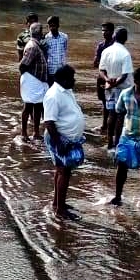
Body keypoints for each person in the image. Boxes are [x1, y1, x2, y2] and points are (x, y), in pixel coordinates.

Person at [42, 64, 85, 220]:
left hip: (66, 138)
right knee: (64, 172)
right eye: (71, 78)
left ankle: (57, 203)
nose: (74, 81)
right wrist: (58, 142)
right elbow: (49, 122)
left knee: (61, 171)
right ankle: (60, 210)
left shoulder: (66, 91)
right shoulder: (53, 95)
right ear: (63, 79)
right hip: (59, 138)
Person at [110, 68, 140, 208]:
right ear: (135, 81)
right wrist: (116, 141)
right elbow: (119, 118)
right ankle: (118, 196)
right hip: (127, 137)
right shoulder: (125, 94)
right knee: (121, 166)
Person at [97, 27, 134, 148]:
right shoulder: (125, 54)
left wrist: (108, 81)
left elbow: (101, 70)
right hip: (122, 89)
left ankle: (109, 143)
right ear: (126, 39)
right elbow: (124, 76)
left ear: (114, 37)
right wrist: (115, 83)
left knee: (111, 114)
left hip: (110, 88)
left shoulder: (106, 51)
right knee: (120, 116)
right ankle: (117, 143)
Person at [19, 23, 49, 142]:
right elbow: (22, 65)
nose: (42, 34)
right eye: (41, 32)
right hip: (32, 81)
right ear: (39, 33)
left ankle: (36, 132)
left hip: (37, 81)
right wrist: (28, 78)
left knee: (37, 106)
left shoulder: (36, 45)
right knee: (28, 106)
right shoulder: (32, 46)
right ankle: (24, 133)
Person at [93, 22, 115, 134]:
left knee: (111, 102)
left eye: (106, 30)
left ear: (112, 31)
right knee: (103, 101)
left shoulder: (115, 45)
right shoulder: (101, 45)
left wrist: (102, 63)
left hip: (112, 77)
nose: (104, 32)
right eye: (102, 30)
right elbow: (95, 63)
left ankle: (108, 125)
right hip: (102, 77)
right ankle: (105, 125)